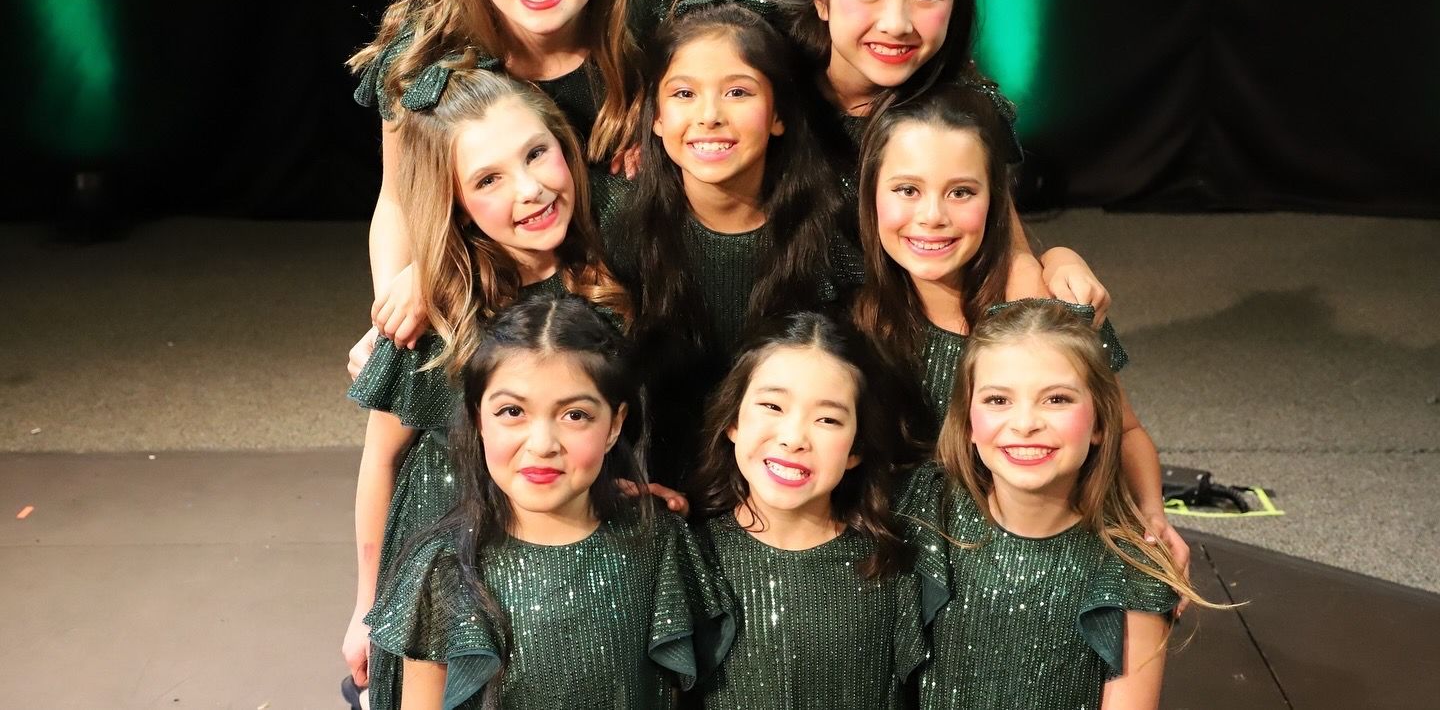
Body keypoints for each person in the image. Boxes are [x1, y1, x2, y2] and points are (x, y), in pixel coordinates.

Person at [633, 0, 1108, 310]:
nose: (896, 23)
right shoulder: (765, 36)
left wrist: (1054, 262)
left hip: (865, 330)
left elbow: (1008, 246)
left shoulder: (952, 104)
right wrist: (638, 101)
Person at [342, 69, 630, 699]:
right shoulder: (438, 310)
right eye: (488, 179)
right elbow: (381, 458)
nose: (530, 189)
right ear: (457, 202)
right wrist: (365, 606)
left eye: (536, 153)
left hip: (568, 550)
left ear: (565, 144)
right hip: (439, 554)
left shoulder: (611, 281)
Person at [348, 0, 646, 356]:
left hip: (638, 301)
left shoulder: (649, 28)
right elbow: (397, 199)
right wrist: (401, 297)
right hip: (504, 303)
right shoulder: (430, 54)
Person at [852, 83, 1184, 562]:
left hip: (1035, 563)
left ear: (995, 200)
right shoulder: (859, 322)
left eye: (961, 192)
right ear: (872, 197)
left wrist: (1151, 514)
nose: (932, 216)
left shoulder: (1039, 306)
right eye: (907, 189)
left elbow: (1125, 431)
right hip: (911, 569)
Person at [368, 295, 734, 709]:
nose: (542, 445)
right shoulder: (440, 565)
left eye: (574, 415)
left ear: (614, 425)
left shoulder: (659, 544)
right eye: (512, 411)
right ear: (476, 420)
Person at [900, 300, 1217, 709]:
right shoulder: (925, 513)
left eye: (1057, 399)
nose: (1026, 423)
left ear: (1101, 423)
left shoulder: (1133, 570)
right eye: (998, 400)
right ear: (966, 424)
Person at [601, 0, 860, 482]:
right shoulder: (619, 227)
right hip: (656, 491)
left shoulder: (834, 232)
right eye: (683, 94)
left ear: (778, 115)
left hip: (789, 485)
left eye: (738, 92)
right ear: (655, 118)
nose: (710, 116)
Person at [687, 311, 926, 709]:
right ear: (732, 421)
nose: (794, 438)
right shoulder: (689, 554)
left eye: (828, 419)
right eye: (773, 406)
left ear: (857, 449)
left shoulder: (890, 564)